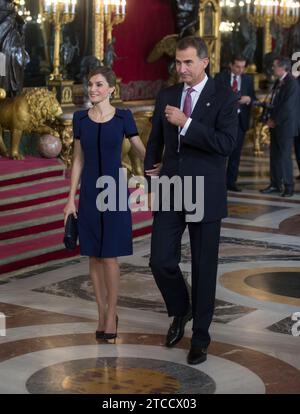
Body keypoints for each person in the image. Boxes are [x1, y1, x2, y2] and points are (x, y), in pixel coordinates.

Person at [144, 36, 238, 365]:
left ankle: (200, 337)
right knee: (160, 260)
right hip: (170, 189)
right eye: (178, 63)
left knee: (203, 267)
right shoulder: (168, 94)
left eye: (188, 63)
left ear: (204, 62)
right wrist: (150, 178)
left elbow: (226, 143)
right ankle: (180, 309)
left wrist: (187, 124)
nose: (181, 69)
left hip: (206, 193)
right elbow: (153, 142)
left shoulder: (224, 97)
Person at [64, 66, 145, 342]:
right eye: (90, 85)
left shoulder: (124, 117)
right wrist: (69, 200)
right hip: (88, 195)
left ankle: (112, 314)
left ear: (112, 88)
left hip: (113, 194)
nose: (93, 89)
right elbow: (77, 160)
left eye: (99, 85)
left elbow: (140, 149)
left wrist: (164, 164)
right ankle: (100, 312)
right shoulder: (80, 119)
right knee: (94, 256)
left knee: (109, 256)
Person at [215, 55, 256, 192]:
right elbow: (215, 97)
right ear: (231, 65)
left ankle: (231, 182)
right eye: (238, 66)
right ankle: (218, 181)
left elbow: (253, 97)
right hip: (223, 122)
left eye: (243, 67)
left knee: (236, 153)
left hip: (240, 121)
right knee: (221, 153)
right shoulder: (220, 78)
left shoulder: (248, 79)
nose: (240, 69)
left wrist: (249, 99)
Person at [260, 57, 299, 197]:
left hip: (285, 126)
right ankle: (275, 184)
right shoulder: (279, 81)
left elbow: (288, 107)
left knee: (284, 156)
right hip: (276, 125)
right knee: (274, 156)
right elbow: (275, 101)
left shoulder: (291, 83)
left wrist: (274, 120)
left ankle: (289, 186)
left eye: (275, 66)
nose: (272, 68)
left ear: (282, 68)